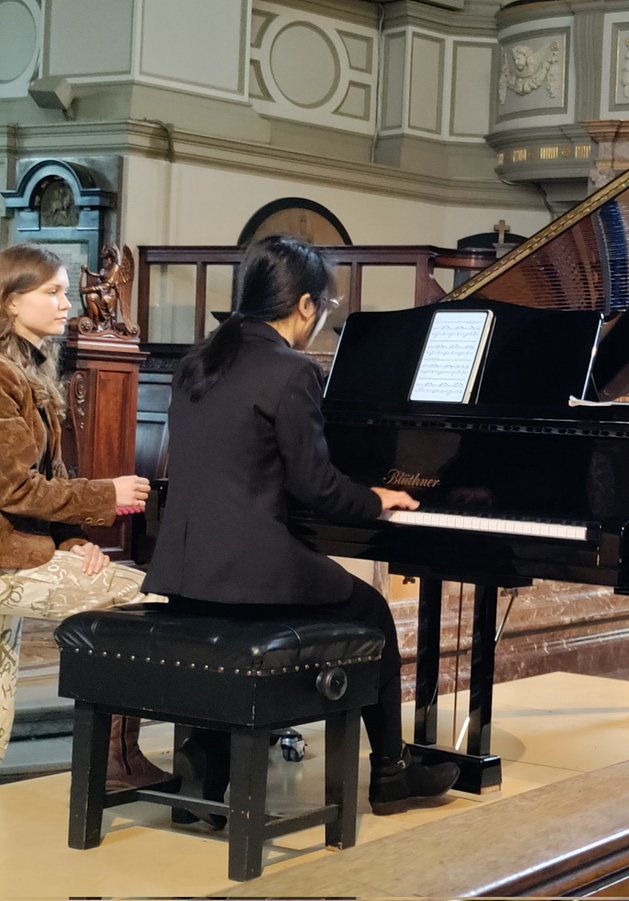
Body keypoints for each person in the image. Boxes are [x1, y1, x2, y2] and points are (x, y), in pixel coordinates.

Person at [142, 235, 458, 823]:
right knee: (370, 610)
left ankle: (208, 764)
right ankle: (390, 773)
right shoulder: (291, 372)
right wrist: (377, 498)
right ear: (306, 305)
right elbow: (318, 488)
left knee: (332, 596)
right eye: (325, 311)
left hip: (185, 571)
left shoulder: (199, 362)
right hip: (250, 573)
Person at [0, 243, 172, 789]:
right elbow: (16, 489)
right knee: (148, 597)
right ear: (9, 302)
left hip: (23, 549)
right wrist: (106, 495)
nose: (65, 304)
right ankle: (118, 761)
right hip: (6, 559)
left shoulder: (28, 370)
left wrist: (76, 543)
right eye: (51, 292)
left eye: (64, 291)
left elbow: (45, 482)